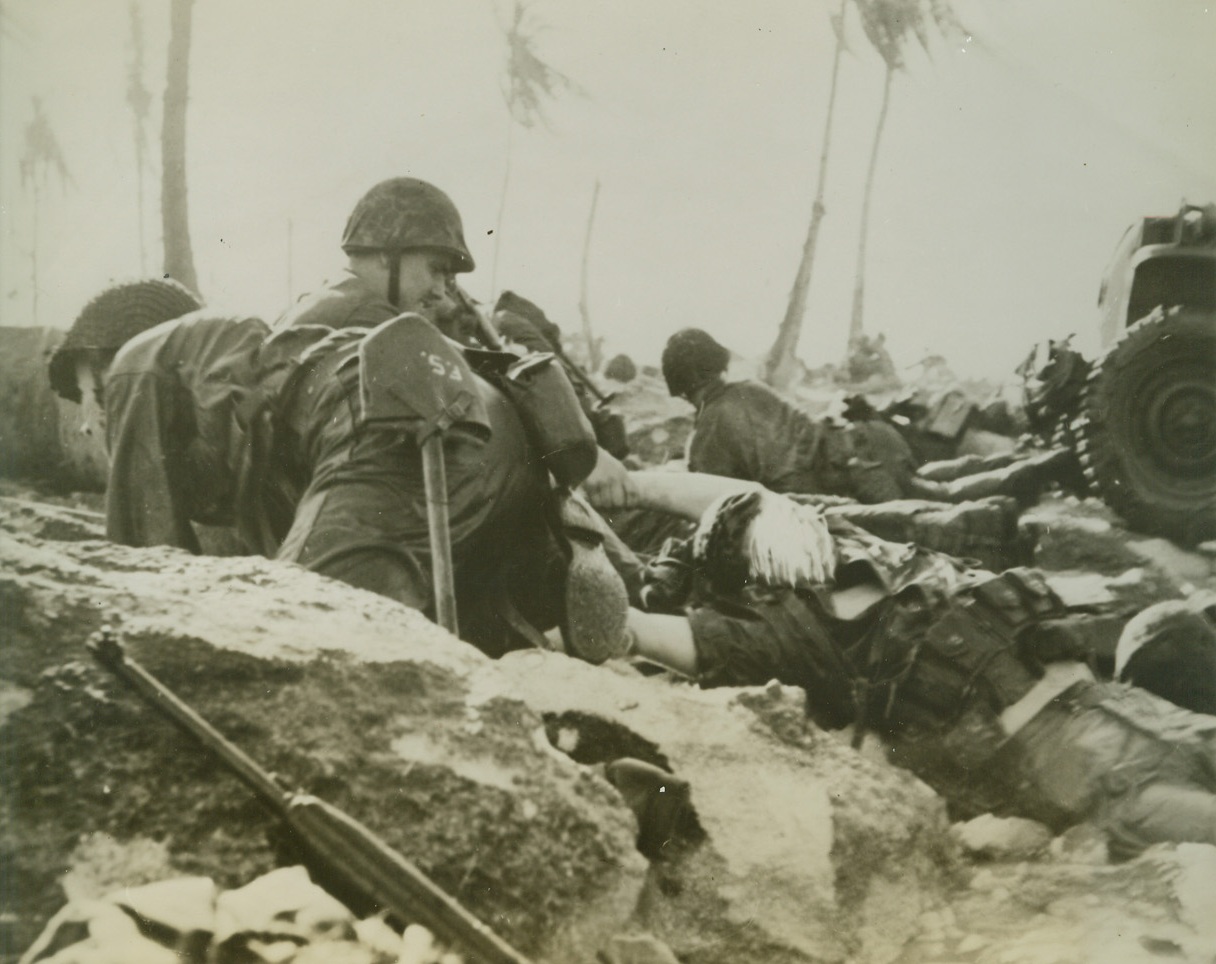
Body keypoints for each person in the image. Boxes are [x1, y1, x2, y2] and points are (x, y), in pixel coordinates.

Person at [580, 464, 1216, 858]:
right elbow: (631, 618)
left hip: (1106, 748)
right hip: (1106, 757)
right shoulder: (829, 568)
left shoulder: (781, 616)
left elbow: (629, 628)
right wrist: (626, 487)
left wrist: (611, 501)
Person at [660, 327, 1069, 507]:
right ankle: (1035, 464)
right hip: (866, 442)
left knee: (939, 504)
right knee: (933, 486)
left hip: (851, 474)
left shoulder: (710, 426)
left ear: (681, 383)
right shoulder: (751, 389)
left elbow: (712, 499)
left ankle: (1039, 468)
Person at [273, 177, 475, 333]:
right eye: (435, 269)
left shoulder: (328, 299)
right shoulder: (368, 317)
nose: (439, 291)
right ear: (387, 254)